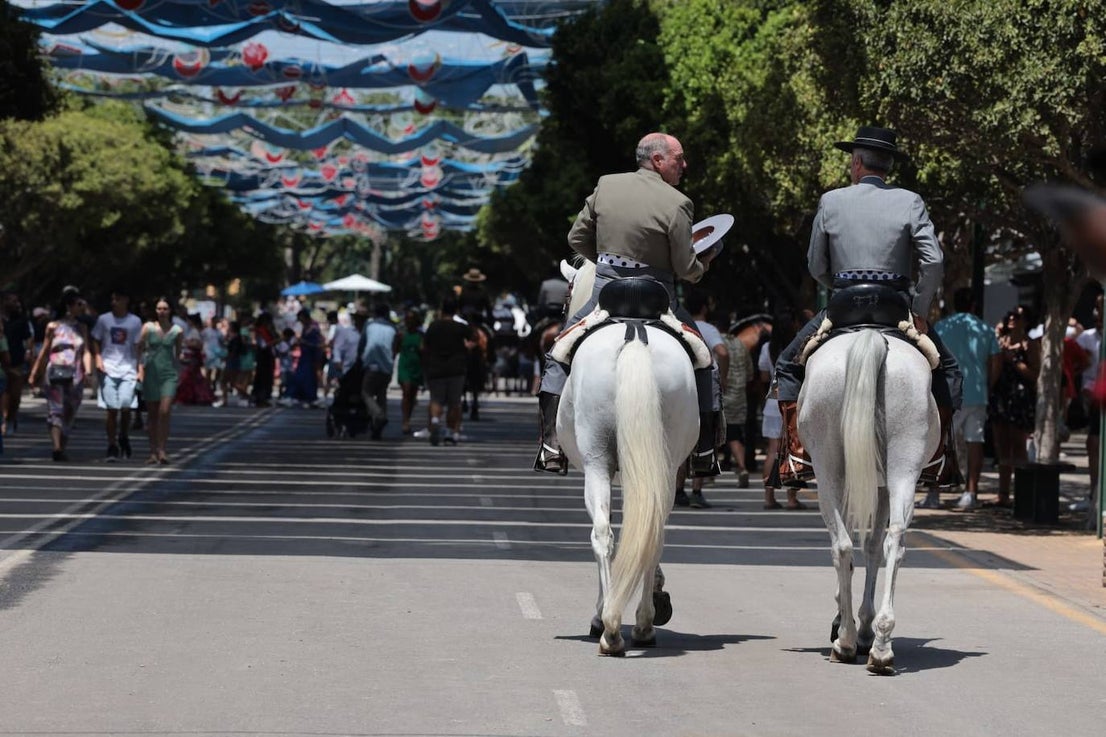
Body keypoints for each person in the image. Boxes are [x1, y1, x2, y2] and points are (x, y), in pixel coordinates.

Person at [774, 125, 962, 487]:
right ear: (887, 165)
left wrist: (840, 289)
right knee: (949, 369)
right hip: (896, 306)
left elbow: (816, 265)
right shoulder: (910, 201)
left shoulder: (831, 201)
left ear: (857, 163)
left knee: (787, 363)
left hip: (844, 303)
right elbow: (934, 261)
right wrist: (920, 310)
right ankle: (939, 459)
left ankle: (796, 456)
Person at [534, 131, 719, 475]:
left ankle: (550, 445)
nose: (684, 165)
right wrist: (703, 264)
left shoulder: (606, 185)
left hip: (607, 291)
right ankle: (705, 450)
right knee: (705, 360)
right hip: (657, 297)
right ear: (658, 160)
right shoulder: (678, 202)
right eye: (679, 159)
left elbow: (575, 237)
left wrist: (606, 262)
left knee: (559, 352)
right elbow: (685, 269)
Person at [927, 287, 1002, 510]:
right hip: (977, 394)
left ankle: (934, 494)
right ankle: (971, 492)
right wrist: (988, 384)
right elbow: (995, 361)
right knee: (974, 442)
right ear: (974, 306)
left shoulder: (942, 327)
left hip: (949, 393)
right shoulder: (985, 328)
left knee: (940, 444)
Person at [676, 289, 729, 509]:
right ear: (705, 307)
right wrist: (723, 378)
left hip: (682, 386)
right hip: (706, 384)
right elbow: (723, 353)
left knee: (679, 439)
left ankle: (678, 491)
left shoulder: (678, 325)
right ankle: (697, 491)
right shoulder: (709, 329)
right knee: (706, 435)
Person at [28, 291, 93, 462]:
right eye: (79, 304)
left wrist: (88, 371)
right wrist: (35, 372)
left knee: (70, 410)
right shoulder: (53, 327)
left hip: (75, 374)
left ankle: (63, 445)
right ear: (69, 306)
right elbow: (44, 350)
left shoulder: (82, 328)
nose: (82, 307)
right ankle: (56, 447)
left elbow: (85, 351)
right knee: (55, 409)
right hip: (55, 372)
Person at [989, 307, 1041, 507]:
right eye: (1009, 315)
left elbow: (1035, 374)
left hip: (1020, 399)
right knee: (1002, 447)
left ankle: (1023, 494)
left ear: (1025, 320)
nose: (1012, 318)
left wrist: (1015, 362)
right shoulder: (1001, 341)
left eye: (1017, 316)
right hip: (1002, 397)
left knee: (1019, 447)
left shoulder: (1030, 344)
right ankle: (1003, 494)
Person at [761, 309, 807, 510]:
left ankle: (769, 496)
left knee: (772, 450)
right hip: (793, 401)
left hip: (772, 402)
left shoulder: (767, 348)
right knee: (794, 450)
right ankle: (791, 498)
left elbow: (763, 377)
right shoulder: (799, 348)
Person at [91, 287, 143, 461]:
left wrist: (140, 368)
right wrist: (98, 359)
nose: (114, 302)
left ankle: (124, 435)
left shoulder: (135, 322)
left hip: (128, 368)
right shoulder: (104, 319)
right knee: (112, 409)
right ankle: (112, 445)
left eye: (118, 299)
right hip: (108, 368)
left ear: (126, 300)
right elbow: (96, 340)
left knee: (126, 405)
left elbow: (138, 346)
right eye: (112, 299)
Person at [421, 296, 474, 446]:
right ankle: (450, 431)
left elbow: (424, 347)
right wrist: (466, 349)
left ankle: (436, 420)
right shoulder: (460, 327)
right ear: (456, 310)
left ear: (441, 309)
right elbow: (473, 339)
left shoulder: (433, 326)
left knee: (436, 399)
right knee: (454, 403)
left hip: (436, 367)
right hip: (456, 369)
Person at [137, 297, 184, 464]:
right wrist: (139, 370)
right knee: (152, 414)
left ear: (170, 311)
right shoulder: (148, 328)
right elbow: (139, 349)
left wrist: (179, 374)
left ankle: (162, 449)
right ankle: (152, 451)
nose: (162, 312)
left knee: (164, 411)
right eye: (159, 309)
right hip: (151, 372)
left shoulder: (177, 330)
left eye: (165, 308)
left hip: (168, 374)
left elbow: (178, 355)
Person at [1076, 296, 1103, 503]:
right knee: (1093, 443)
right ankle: (1094, 492)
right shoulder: (1086, 337)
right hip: (1094, 398)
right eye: (1096, 308)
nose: (1097, 314)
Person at [361, 303, 397, 439]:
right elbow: (395, 347)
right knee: (382, 394)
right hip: (387, 366)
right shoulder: (392, 328)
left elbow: (362, 343)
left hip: (372, 364)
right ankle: (378, 426)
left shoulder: (369, 325)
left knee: (366, 393)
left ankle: (379, 416)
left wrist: (361, 358)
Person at [2, 292, 33, 435]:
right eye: (13, 301)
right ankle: (3, 419)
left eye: (17, 301)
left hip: (16, 361)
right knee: (3, 394)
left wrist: (28, 352)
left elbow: (28, 338)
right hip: (1, 363)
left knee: (15, 395)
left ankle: (11, 418)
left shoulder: (21, 320)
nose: (16, 304)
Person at [396, 309, 425, 435]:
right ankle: (405, 421)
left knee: (412, 395)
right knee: (406, 391)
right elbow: (395, 349)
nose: (409, 322)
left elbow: (424, 352)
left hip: (417, 367)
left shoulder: (421, 336)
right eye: (407, 319)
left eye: (411, 319)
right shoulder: (401, 335)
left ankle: (408, 417)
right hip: (405, 367)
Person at [290, 309, 323, 406]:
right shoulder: (306, 327)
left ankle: (310, 397)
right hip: (304, 356)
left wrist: (304, 342)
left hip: (310, 357)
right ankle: (301, 397)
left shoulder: (313, 328)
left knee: (308, 378)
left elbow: (317, 344)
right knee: (301, 377)